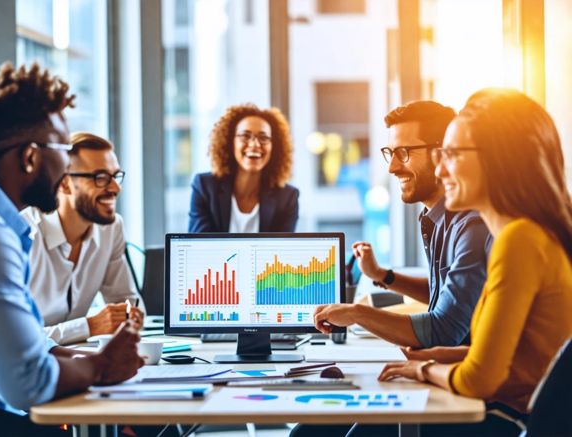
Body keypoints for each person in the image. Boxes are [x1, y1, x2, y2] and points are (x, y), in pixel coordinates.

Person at [0, 63, 143, 436]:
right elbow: (28, 382)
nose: (66, 167)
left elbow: (28, 347)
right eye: (63, 151)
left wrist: (96, 358)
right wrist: (100, 367)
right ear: (30, 157)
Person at [376, 88, 572, 436]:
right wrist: (437, 357)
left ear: (496, 159)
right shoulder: (524, 235)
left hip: (508, 422)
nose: (440, 168)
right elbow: (515, 359)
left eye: (451, 154)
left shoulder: (520, 240)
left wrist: (422, 370)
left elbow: (481, 379)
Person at [313, 101, 491, 348]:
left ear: (441, 152)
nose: (393, 167)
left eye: (404, 153)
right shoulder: (435, 218)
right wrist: (382, 275)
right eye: (390, 153)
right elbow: (444, 295)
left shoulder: (473, 226)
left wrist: (356, 313)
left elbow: (444, 330)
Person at [23, 132, 144, 345]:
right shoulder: (23, 235)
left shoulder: (111, 228)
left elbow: (126, 303)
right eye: (100, 178)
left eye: (115, 176)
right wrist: (89, 326)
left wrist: (129, 317)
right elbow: (12, 340)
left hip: (81, 362)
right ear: (64, 183)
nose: (116, 188)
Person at [189, 103, 299, 233]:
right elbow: (199, 247)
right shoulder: (205, 187)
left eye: (263, 138)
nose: (254, 144)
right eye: (245, 136)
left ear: (274, 146)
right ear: (231, 142)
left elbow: (281, 251)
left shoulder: (287, 198)